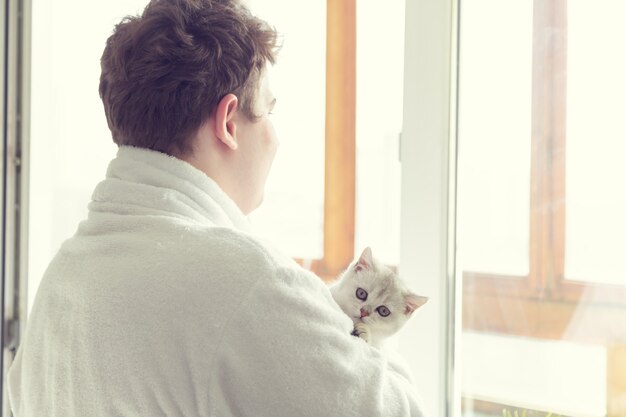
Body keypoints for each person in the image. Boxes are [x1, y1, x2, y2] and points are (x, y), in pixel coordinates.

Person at [7, 0, 426, 416]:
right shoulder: (249, 282)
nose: (275, 139)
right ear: (229, 123)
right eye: (268, 112)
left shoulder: (61, 277)